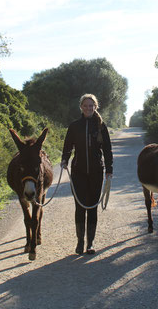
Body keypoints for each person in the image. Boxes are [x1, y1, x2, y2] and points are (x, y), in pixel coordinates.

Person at [61, 93, 113, 255]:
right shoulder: (74, 126)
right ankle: (79, 242)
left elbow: (107, 150)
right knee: (80, 207)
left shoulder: (101, 126)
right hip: (78, 172)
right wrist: (64, 159)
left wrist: (109, 170)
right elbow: (68, 146)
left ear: (95, 107)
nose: (88, 108)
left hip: (97, 172)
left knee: (92, 208)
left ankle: (90, 243)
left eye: (91, 106)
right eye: (85, 106)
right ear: (81, 107)